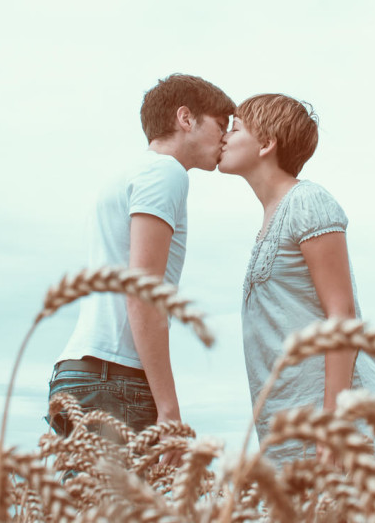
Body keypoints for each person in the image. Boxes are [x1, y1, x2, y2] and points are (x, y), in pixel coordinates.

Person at [48, 74, 235, 457]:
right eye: (221, 125)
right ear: (186, 118)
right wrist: (168, 409)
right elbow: (143, 293)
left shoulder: (131, 174)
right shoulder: (165, 174)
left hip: (85, 373)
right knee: (117, 516)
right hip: (115, 378)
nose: (226, 138)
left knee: (87, 515)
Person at [218, 93, 375, 464]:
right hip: (288, 428)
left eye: (234, 128)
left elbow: (342, 315)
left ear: (267, 144)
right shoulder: (268, 220)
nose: (223, 137)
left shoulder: (308, 201)